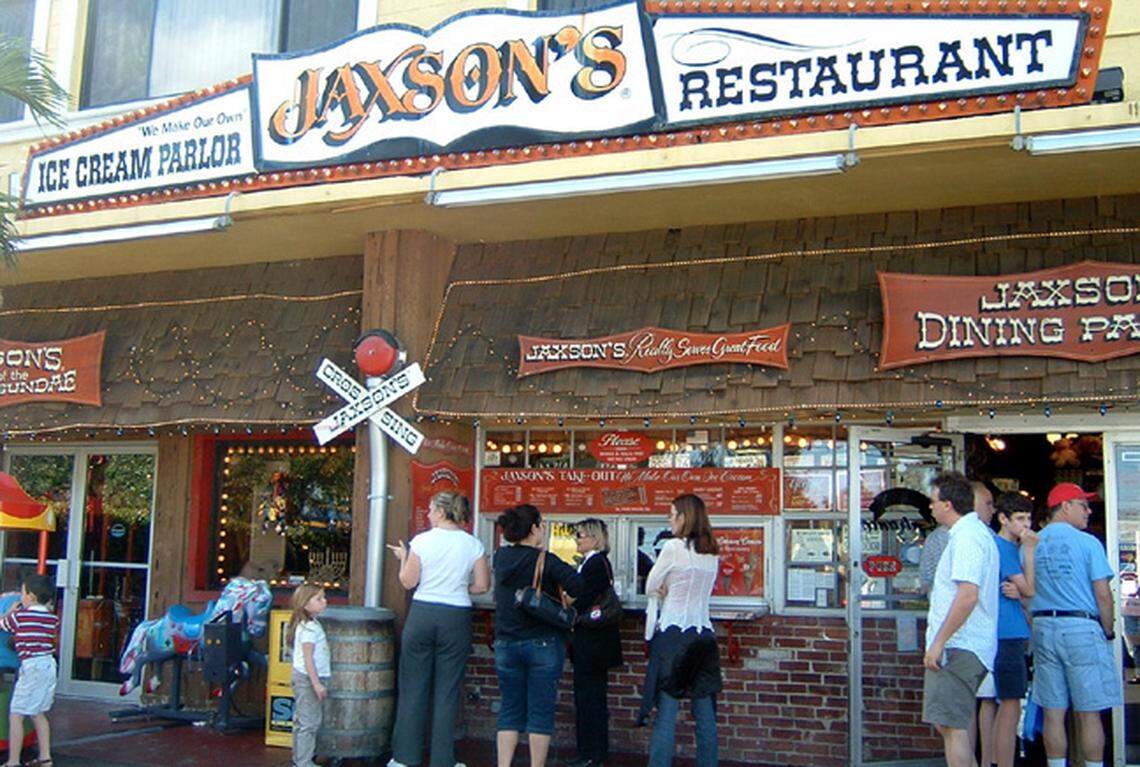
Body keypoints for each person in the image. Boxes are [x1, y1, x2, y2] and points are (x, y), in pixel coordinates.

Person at [387, 491, 490, 767]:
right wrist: (459, 587)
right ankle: (443, 760)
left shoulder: (421, 541)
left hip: (422, 613)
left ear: (442, 512)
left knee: (413, 687)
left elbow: (408, 582)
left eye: (432, 509)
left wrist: (403, 557)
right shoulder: (474, 545)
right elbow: (482, 586)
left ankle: (405, 758)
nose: (428, 514)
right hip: (456, 616)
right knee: (447, 691)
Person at [1030, 482, 1120, 767]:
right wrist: (1107, 630)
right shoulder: (1088, 542)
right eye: (1083, 504)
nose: (1089, 510)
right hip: (1081, 627)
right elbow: (1103, 595)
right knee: (1089, 711)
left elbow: (1024, 592)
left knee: (1053, 711)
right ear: (1065, 506)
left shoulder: (1033, 543)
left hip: (1044, 627)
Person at [492, 504, 585, 767]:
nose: (543, 529)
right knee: (540, 711)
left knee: (509, 709)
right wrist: (565, 599)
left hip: (506, 643)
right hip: (543, 642)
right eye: (542, 524)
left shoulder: (500, 558)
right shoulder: (545, 559)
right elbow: (579, 584)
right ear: (533, 528)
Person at [922, 471, 999, 767]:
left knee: (952, 726)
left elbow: (968, 594)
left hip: (959, 645)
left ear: (949, 504)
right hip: (965, 644)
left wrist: (939, 641)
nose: (930, 506)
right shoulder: (975, 534)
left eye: (934, 501)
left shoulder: (967, 538)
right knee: (950, 724)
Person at [640, 494, 721, 767]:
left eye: (671, 513)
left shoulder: (673, 547)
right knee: (705, 712)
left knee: (667, 711)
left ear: (684, 517)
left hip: (674, 634)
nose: (668, 518)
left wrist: (663, 590)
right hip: (704, 634)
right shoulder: (712, 551)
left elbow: (651, 585)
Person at [976, 492, 1037, 767]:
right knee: (1010, 704)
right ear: (1003, 519)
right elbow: (1030, 589)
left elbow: (1022, 593)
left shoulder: (1002, 547)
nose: (1026, 525)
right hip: (1007, 633)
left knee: (1004, 703)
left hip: (1006, 632)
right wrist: (1032, 550)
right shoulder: (1004, 548)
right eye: (1020, 519)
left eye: (1029, 518)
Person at [568, 518, 623, 767]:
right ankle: (592, 753)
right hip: (593, 643)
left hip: (592, 643)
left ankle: (591, 754)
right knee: (590, 698)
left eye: (580, 535)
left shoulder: (595, 564)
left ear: (593, 537)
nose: (576, 539)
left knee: (589, 699)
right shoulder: (592, 563)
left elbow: (582, 599)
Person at [1, 573, 59, 767]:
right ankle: (45, 758)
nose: (20, 598)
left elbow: (2, 624)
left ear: (32, 597)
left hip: (31, 668)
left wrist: (9, 611)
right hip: (49, 666)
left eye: (23, 594)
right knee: (38, 713)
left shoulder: (20, 616)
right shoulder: (52, 618)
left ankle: (13, 761)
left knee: (16, 714)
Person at [289, 582, 330, 767]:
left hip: (303, 677)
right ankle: (304, 762)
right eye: (318, 599)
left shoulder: (310, 624)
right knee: (309, 722)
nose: (324, 601)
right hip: (308, 679)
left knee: (302, 720)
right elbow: (308, 659)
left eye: (324, 597)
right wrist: (317, 684)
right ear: (306, 604)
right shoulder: (309, 629)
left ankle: (300, 759)